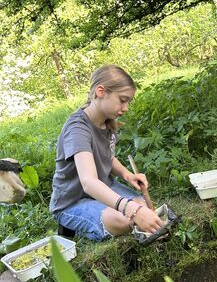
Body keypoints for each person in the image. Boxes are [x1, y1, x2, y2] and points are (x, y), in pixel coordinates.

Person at [50, 65, 164, 241]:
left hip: (104, 187)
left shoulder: (107, 121)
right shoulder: (78, 129)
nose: (125, 108)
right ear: (101, 91)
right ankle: (78, 230)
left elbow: (106, 156)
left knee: (143, 207)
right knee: (127, 220)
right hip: (73, 201)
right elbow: (88, 182)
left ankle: (113, 211)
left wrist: (126, 175)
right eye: (122, 100)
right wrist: (131, 210)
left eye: (128, 102)